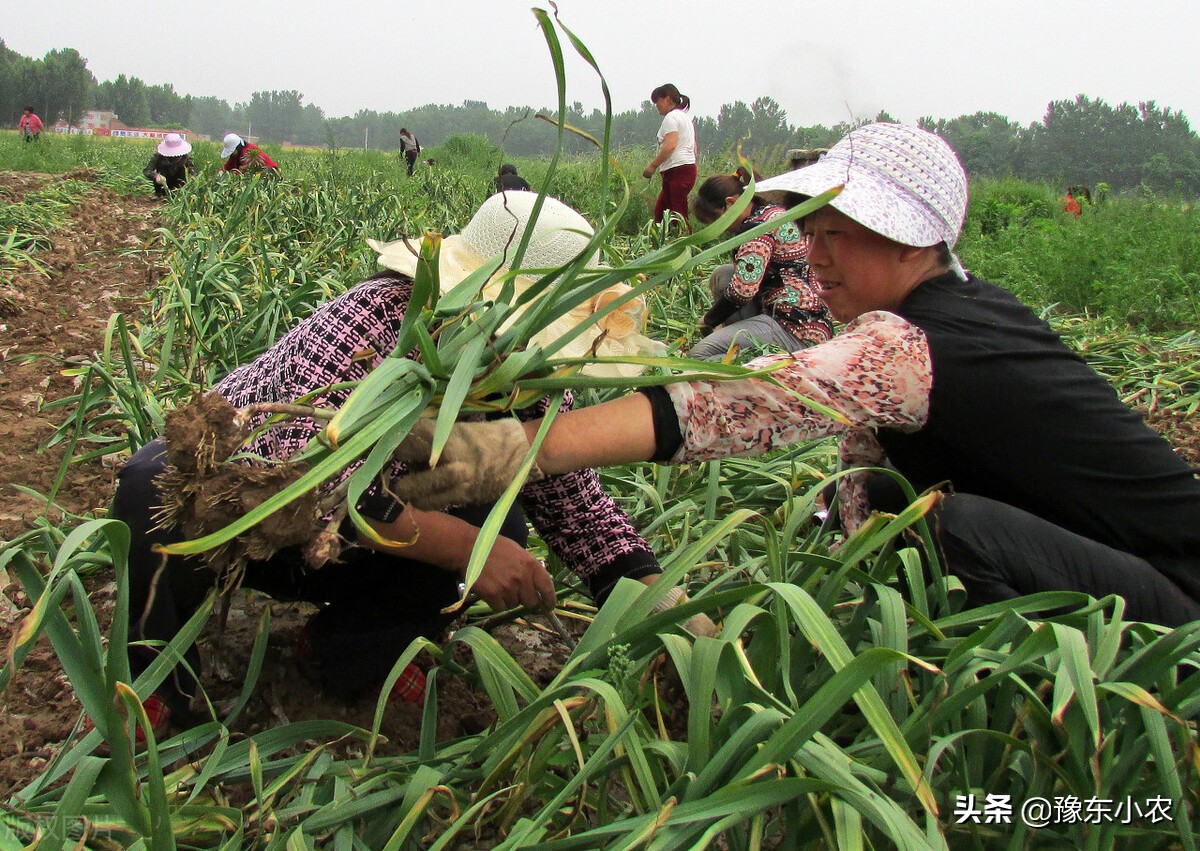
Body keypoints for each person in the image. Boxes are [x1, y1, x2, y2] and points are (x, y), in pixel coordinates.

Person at [395, 123, 1200, 630]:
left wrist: (518, 448)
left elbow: (739, 404)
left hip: (1176, 601)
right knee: (891, 501)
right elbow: (860, 478)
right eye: (809, 234)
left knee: (961, 529)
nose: (813, 258)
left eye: (834, 235)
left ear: (908, 240)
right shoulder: (950, 315)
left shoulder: (913, 343)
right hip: (1106, 569)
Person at [106, 192, 699, 743]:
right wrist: (469, 551)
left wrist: (670, 610)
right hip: (248, 524)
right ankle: (152, 682)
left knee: (501, 524)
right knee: (150, 482)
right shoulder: (376, 319)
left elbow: (581, 515)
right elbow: (300, 484)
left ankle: (346, 650)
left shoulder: (530, 381)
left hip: (360, 548)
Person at [687, 167, 833, 361]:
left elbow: (743, 290)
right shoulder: (770, 211)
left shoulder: (756, 229)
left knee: (698, 355)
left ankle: (764, 363)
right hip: (801, 310)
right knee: (723, 275)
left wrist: (708, 320)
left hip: (795, 325)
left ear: (730, 203)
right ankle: (742, 340)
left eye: (716, 221)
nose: (720, 229)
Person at [643, 84, 697, 231]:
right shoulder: (684, 118)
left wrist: (652, 166)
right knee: (661, 212)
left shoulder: (671, 118)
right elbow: (694, 147)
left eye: (658, 102)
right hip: (687, 168)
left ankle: (685, 241)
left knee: (678, 215)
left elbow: (670, 145)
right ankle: (659, 241)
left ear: (667, 98)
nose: (656, 106)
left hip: (677, 171)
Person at [143, 134, 197, 198]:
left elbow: (193, 175)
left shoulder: (186, 159)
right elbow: (147, 170)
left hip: (180, 191)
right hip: (161, 190)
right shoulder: (158, 157)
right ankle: (159, 195)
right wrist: (156, 176)